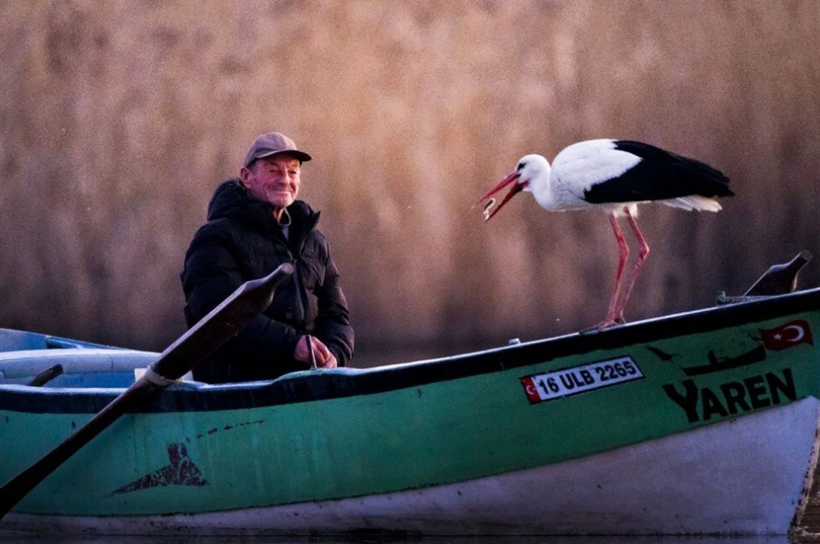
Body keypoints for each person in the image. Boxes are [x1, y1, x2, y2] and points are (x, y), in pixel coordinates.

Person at [181, 132, 354, 383]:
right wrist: (292, 345)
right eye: (273, 170)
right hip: (237, 393)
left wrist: (334, 355)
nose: (285, 179)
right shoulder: (214, 239)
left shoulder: (314, 242)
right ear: (246, 177)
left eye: (292, 172)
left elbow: (337, 316)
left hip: (309, 388)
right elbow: (220, 318)